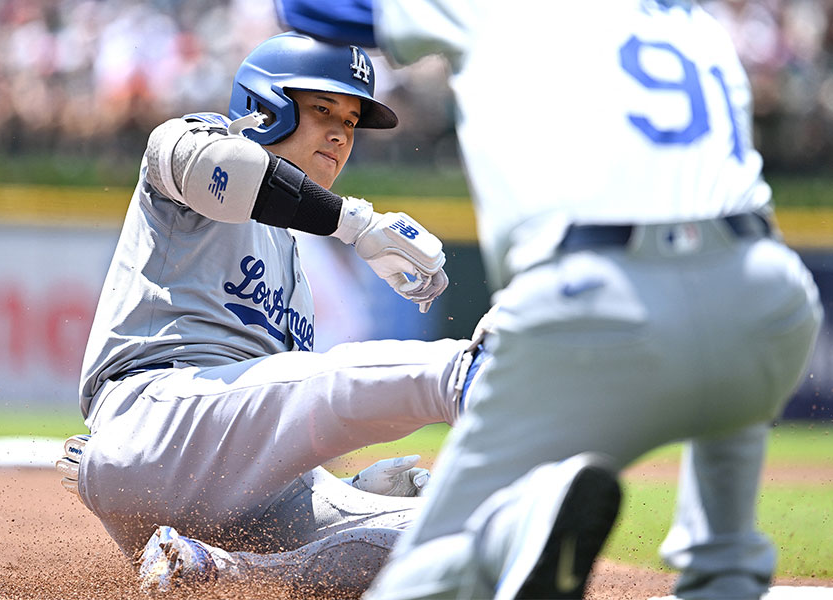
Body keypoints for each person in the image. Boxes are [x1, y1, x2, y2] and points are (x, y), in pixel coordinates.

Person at [276, 1, 825, 599]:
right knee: (725, 566)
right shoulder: (696, 19)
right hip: (767, 296)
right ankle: (725, 571)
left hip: (600, 298)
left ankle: (508, 540)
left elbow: (310, 7)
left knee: (427, 574)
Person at [56, 31, 486, 598]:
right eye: (323, 109)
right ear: (266, 107)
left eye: (352, 121)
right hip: (152, 420)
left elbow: (264, 409)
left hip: (231, 503)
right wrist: (354, 223)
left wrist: (350, 491)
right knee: (355, 374)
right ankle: (483, 378)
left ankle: (218, 569)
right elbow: (232, 172)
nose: (340, 133)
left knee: (450, 534)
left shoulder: (292, 261)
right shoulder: (185, 141)